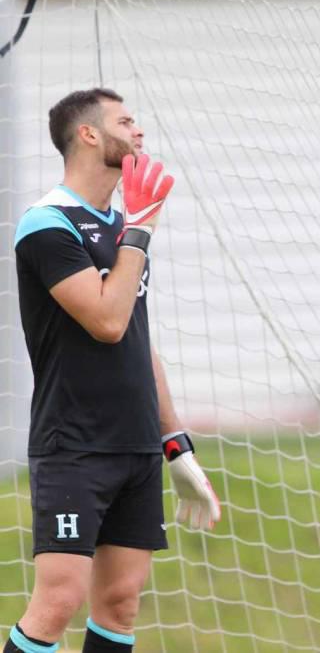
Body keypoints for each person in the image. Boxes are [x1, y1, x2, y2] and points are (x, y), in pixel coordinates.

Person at [5, 88, 220, 653]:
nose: (139, 131)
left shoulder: (125, 227)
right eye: (125, 121)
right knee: (57, 603)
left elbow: (137, 340)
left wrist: (175, 442)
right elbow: (106, 321)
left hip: (137, 447)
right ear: (89, 134)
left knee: (121, 605)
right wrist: (141, 231)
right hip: (74, 446)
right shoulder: (46, 224)